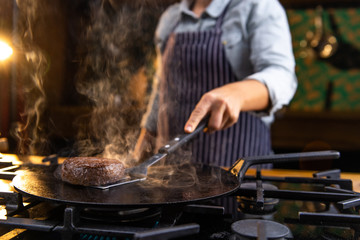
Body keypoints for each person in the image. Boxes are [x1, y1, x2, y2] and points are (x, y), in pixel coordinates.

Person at [134, 0, 297, 168]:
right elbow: (162, 87)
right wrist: (140, 152)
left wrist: (237, 94)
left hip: (237, 167)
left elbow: (282, 76)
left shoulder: (258, 7)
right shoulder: (170, 18)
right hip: (170, 173)